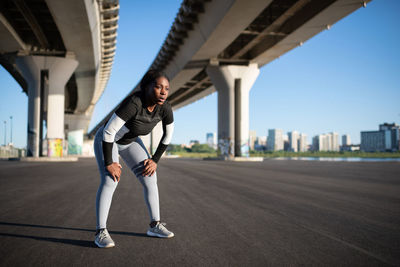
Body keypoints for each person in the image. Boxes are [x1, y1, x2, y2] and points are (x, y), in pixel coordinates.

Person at [93, 69, 174, 248]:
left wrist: (155, 160)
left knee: (150, 176)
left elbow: (167, 136)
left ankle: (155, 225)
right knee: (110, 180)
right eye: (158, 87)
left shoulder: (165, 108)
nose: (163, 92)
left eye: (166, 88)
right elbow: (109, 131)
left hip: (130, 142)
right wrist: (109, 163)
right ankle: (101, 232)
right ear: (147, 87)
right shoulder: (134, 103)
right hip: (107, 140)